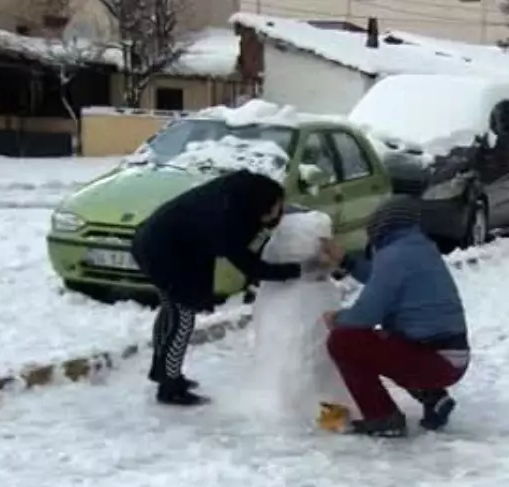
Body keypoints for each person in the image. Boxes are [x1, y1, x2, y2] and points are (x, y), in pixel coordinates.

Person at [131, 170, 320, 406]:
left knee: (171, 310)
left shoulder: (239, 194)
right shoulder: (227, 221)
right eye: (274, 208)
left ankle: (164, 372)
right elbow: (253, 267)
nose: (278, 213)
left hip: (156, 240)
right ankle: (169, 388)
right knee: (182, 316)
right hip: (163, 253)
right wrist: (298, 270)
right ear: (259, 205)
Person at [321, 195, 469, 437]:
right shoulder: (416, 248)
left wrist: (337, 319)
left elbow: (365, 316)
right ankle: (433, 397)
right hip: (448, 355)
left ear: (380, 225)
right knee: (386, 345)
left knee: (345, 341)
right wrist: (346, 261)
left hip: (436, 360)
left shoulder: (395, 256)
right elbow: (382, 280)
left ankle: (383, 418)